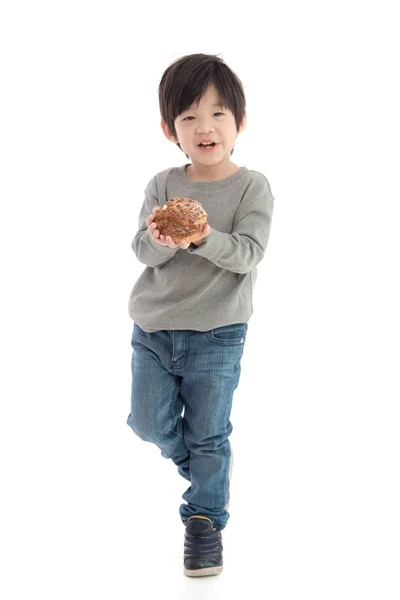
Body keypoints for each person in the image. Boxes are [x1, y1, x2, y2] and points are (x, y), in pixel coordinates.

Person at [126, 53, 275, 577]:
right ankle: (208, 471)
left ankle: (205, 520)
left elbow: (249, 254)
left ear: (240, 121)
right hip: (153, 328)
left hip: (218, 333)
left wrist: (205, 237)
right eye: (189, 117)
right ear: (170, 130)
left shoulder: (251, 187)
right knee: (146, 423)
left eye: (217, 114)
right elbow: (141, 250)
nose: (204, 127)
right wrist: (162, 239)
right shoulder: (164, 183)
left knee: (209, 433)